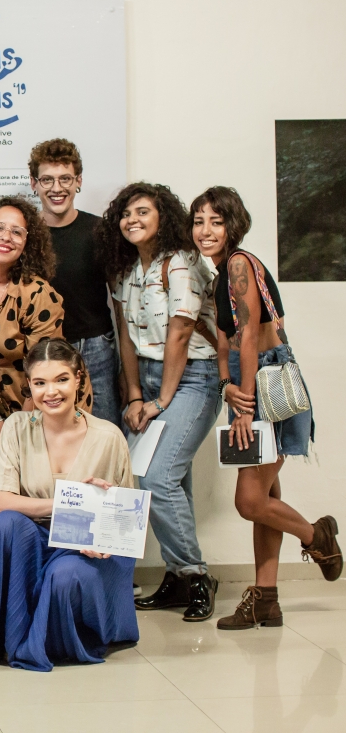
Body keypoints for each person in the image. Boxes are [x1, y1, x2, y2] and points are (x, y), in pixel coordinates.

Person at [190, 187, 341, 629]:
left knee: (249, 500)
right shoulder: (220, 275)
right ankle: (266, 599)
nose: (205, 230)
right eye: (198, 221)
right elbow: (225, 341)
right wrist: (226, 385)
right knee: (266, 496)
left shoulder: (239, 264)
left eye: (216, 221)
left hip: (264, 383)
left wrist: (244, 406)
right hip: (245, 382)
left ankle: (317, 536)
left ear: (233, 225)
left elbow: (251, 337)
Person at [0, 339, 138, 671]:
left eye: (61, 379)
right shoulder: (16, 427)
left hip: (88, 547)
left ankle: (53, 641)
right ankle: (11, 638)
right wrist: (66, 506)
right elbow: (2, 502)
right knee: (6, 525)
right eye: (40, 383)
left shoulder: (109, 437)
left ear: (78, 379)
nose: (51, 392)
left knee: (64, 576)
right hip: (33, 540)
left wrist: (96, 536)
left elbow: (127, 523)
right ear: (29, 386)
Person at [98, 182, 220, 621]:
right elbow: (125, 337)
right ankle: (177, 577)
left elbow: (181, 333)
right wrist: (134, 394)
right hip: (147, 378)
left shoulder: (182, 262)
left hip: (193, 378)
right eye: (126, 214)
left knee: (156, 477)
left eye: (142, 212)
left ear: (163, 217)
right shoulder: (125, 270)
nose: (132, 220)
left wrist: (162, 400)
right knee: (169, 479)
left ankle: (196, 575)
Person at [0, 195, 85, 456]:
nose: (6, 237)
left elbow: (44, 370)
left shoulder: (37, 293)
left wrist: (18, 430)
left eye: (17, 232)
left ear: (27, 244)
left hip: (44, 405)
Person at [29, 139, 121, 426]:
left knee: (103, 431)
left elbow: (119, 301)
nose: (56, 188)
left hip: (95, 348)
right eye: (47, 180)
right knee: (50, 434)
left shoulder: (99, 230)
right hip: (42, 349)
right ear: (34, 183)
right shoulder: (25, 234)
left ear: (78, 181)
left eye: (65, 179)